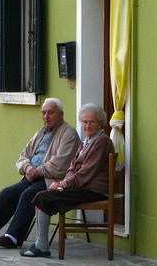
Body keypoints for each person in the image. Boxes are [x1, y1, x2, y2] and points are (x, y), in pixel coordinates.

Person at [0, 98, 82, 249]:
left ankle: (13, 237)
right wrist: (27, 168)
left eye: (50, 113)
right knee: (7, 193)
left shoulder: (69, 134)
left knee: (28, 195)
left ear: (61, 114)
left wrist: (37, 171)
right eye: (43, 113)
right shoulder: (41, 132)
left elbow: (60, 165)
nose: (46, 116)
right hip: (32, 177)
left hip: (51, 181)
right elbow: (23, 156)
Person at [20, 102, 115, 258]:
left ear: (100, 123)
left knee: (42, 196)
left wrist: (64, 183)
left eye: (92, 122)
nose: (87, 125)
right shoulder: (87, 141)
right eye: (84, 121)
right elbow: (72, 166)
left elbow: (86, 172)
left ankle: (42, 246)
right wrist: (63, 182)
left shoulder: (101, 141)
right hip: (81, 187)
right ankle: (40, 244)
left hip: (92, 190)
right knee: (46, 195)